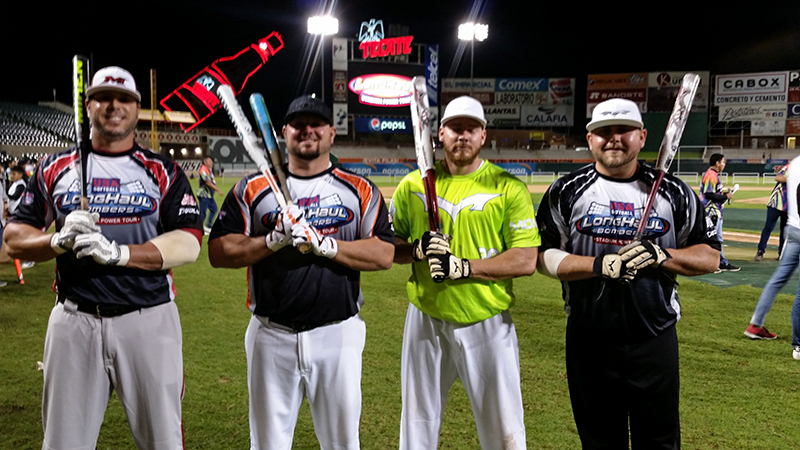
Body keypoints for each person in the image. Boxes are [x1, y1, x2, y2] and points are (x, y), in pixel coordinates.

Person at [3, 66, 203, 450]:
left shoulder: (162, 170)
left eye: (124, 99)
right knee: (63, 442)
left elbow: (189, 241)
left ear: (136, 108)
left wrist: (118, 254)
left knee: (163, 441)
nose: (114, 106)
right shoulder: (55, 167)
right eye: (103, 97)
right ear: (88, 105)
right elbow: (15, 237)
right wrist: (57, 241)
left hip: (149, 319)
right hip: (74, 320)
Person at [207, 95, 395, 450]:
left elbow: (384, 253)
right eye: (298, 124)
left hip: (337, 335)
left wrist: (327, 245)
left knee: (342, 443)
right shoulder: (251, 188)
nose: (307, 131)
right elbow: (218, 251)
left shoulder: (360, 189)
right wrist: (273, 240)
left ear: (331, 132)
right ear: (284, 132)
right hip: (270, 335)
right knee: (267, 445)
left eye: (316, 124)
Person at [535, 98, 719, 449]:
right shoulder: (566, 191)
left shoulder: (675, 192)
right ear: (590, 140)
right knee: (600, 441)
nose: (613, 138)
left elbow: (709, 257)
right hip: (588, 338)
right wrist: (597, 265)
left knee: (660, 442)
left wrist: (659, 254)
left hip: (655, 337)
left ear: (642, 136)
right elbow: (542, 257)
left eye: (623, 130)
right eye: (603, 132)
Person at [390, 95, 539, 450]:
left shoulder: (508, 187)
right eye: (456, 128)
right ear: (440, 133)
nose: (463, 136)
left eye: (471, 129)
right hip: (426, 316)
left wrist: (465, 267)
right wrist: (417, 249)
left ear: (483, 136)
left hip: (487, 319)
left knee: (503, 430)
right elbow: (389, 249)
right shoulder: (411, 186)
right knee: (417, 425)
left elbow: (526, 259)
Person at [745, 157, 800, 341]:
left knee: (777, 279)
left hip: (793, 228)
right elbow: (780, 178)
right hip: (792, 221)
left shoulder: (794, 164)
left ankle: (756, 324)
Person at [700, 153, 739, 272]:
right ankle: (713, 263)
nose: (724, 165)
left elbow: (714, 193)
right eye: (723, 162)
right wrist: (726, 196)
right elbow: (709, 194)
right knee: (713, 238)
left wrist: (724, 194)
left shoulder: (713, 175)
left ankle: (721, 262)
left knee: (717, 238)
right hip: (711, 212)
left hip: (715, 211)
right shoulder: (711, 175)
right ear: (717, 163)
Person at [754, 164, 788, 261]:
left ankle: (781, 253)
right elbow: (778, 177)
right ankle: (760, 251)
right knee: (768, 227)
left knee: (784, 230)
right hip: (776, 203)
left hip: (788, 206)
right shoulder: (789, 167)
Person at [5, 165, 33, 269]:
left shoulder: (21, 185)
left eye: (14, 174)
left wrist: (4, 195)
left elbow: (15, 196)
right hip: (15, 213)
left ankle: (28, 260)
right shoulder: (15, 184)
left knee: (23, 237)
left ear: (20, 175)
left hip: (21, 213)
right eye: (11, 174)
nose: (11, 176)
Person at [197, 156, 224, 234]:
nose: (212, 163)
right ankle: (199, 229)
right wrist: (218, 190)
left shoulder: (208, 170)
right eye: (210, 161)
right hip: (204, 195)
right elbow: (207, 182)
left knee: (214, 209)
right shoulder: (203, 170)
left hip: (208, 195)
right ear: (205, 162)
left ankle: (208, 226)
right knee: (203, 213)